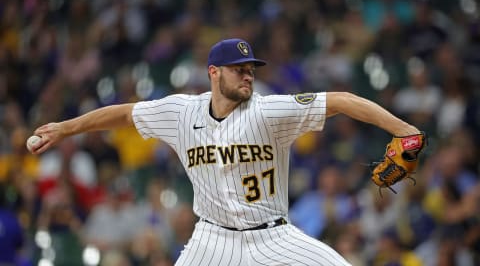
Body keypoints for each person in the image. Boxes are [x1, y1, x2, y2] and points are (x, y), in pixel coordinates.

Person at [30, 38, 421, 266]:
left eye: (250, 68)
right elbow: (124, 114)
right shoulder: (182, 112)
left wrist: (403, 130)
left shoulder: (269, 110)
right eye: (238, 69)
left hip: (274, 239)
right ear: (214, 72)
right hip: (212, 240)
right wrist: (66, 127)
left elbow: (342, 99)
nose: (248, 74)